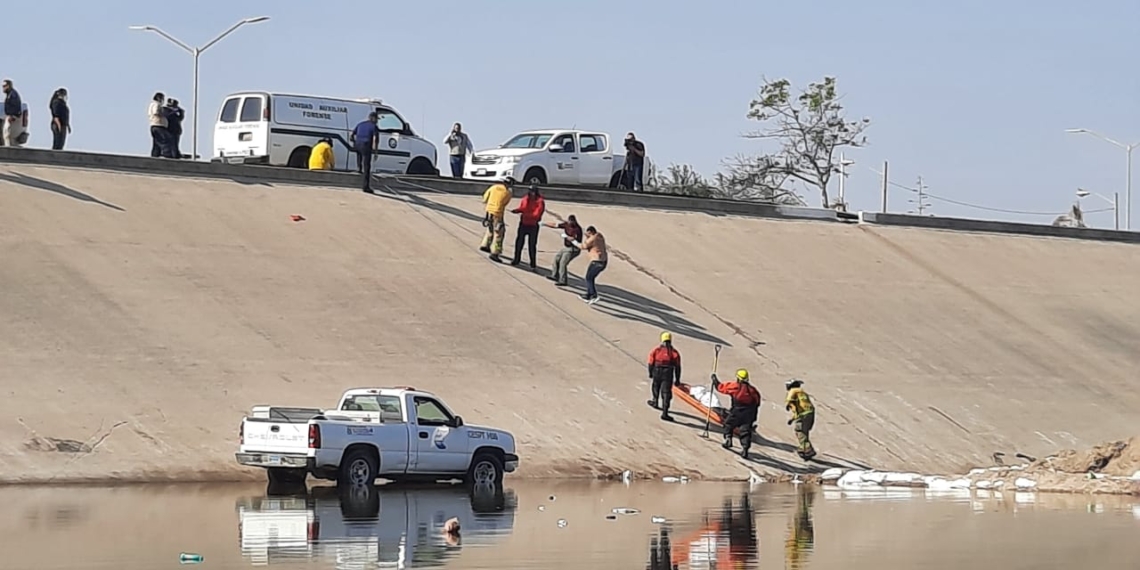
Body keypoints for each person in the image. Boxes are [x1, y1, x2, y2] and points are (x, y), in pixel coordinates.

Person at [711, 369, 762, 458]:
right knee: (745, 431)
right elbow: (757, 402)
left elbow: (721, 388)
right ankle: (745, 449)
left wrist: (715, 380)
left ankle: (728, 440)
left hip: (737, 411)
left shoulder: (735, 387)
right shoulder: (753, 390)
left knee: (728, 424)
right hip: (749, 414)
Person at [646, 331, 682, 422]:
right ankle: (665, 413)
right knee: (666, 393)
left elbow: (650, 363)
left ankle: (655, 401)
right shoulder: (674, 353)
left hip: (657, 371)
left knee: (655, 386)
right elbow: (678, 367)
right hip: (668, 373)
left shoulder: (656, 350)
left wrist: (650, 373)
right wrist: (677, 380)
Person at [567, 225, 607, 304]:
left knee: (589, 278)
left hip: (596, 262)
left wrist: (573, 241)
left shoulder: (592, 238)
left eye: (588, 234)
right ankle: (589, 294)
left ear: (591, 232)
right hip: (603, 261)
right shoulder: (599, 236)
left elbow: (583, 246)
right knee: (590, 278)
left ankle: (593, 295)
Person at [510, 184, 545, 269]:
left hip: (533, 225)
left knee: (532, 245)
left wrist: (526, 214)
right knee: (519, 243)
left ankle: (533, 263)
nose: (532, 193)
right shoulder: (526, 198)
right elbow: (523, 207)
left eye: (533, 191)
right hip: (523, 224)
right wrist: (517, 210)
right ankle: (516, 259)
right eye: (531, 191)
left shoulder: (540, 201)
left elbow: (537, 214)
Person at [479, 176, 514, 262]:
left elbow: (484, 199)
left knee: (490, 229)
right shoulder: (508, 192)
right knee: (499, 233)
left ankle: (485, 245)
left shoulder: (493, 187)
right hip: (498, 213)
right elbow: (505, 203)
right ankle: (495, 253)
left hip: (488, 212)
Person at [543, 214, 583, 287]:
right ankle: (555, 275)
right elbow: (555, 225)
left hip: (573, 249)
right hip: (566, 247)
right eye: (570, 221)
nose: (571, 223)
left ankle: (563, 280)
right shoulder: (566, 225)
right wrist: (544, 224)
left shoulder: (577, 229)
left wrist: (566, 237)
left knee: (563, 263)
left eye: (572, 221)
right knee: (556, 259)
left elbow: (575, 240)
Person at [784, 379, 817, 460]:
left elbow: (789, 399)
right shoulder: (802, 393)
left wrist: (787, 404)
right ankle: (805, 448)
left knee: (800, 432)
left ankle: (808, 450)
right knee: (804, 431)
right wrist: (792, 419)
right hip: (810, 413)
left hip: (803, 415)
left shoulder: (794, 390)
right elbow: (799, 409)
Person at [350, 112, 380, 193]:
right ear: (373, 118)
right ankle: (365, 187)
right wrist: (376, 152)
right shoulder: (374, 127)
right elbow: (375, 139)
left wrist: (354, 142)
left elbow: (352, 135)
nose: (377, 121)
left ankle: (359, 168)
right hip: (366, 145)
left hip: (358, 144)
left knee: (359, 158)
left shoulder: (360, 124)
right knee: (367, 166)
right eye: (377, 119)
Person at [148, 92, 171, 158]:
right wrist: (165, 114)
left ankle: (155, 155)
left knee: (156, 142)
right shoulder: (156, 104)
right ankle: (167, 154)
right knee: (164, 140)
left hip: (153, 125)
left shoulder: (151, 105)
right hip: (159, 125)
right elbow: (156, 112)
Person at [2, 79, 24, 147]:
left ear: (9, 86)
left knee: (9, 136)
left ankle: (10, 153)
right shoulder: (10, 94)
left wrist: (12, 116)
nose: (3, 88)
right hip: (10, 117)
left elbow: (15, 106)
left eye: (5, 86)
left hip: (12, 118)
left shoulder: (13, 95)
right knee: (7, 136)